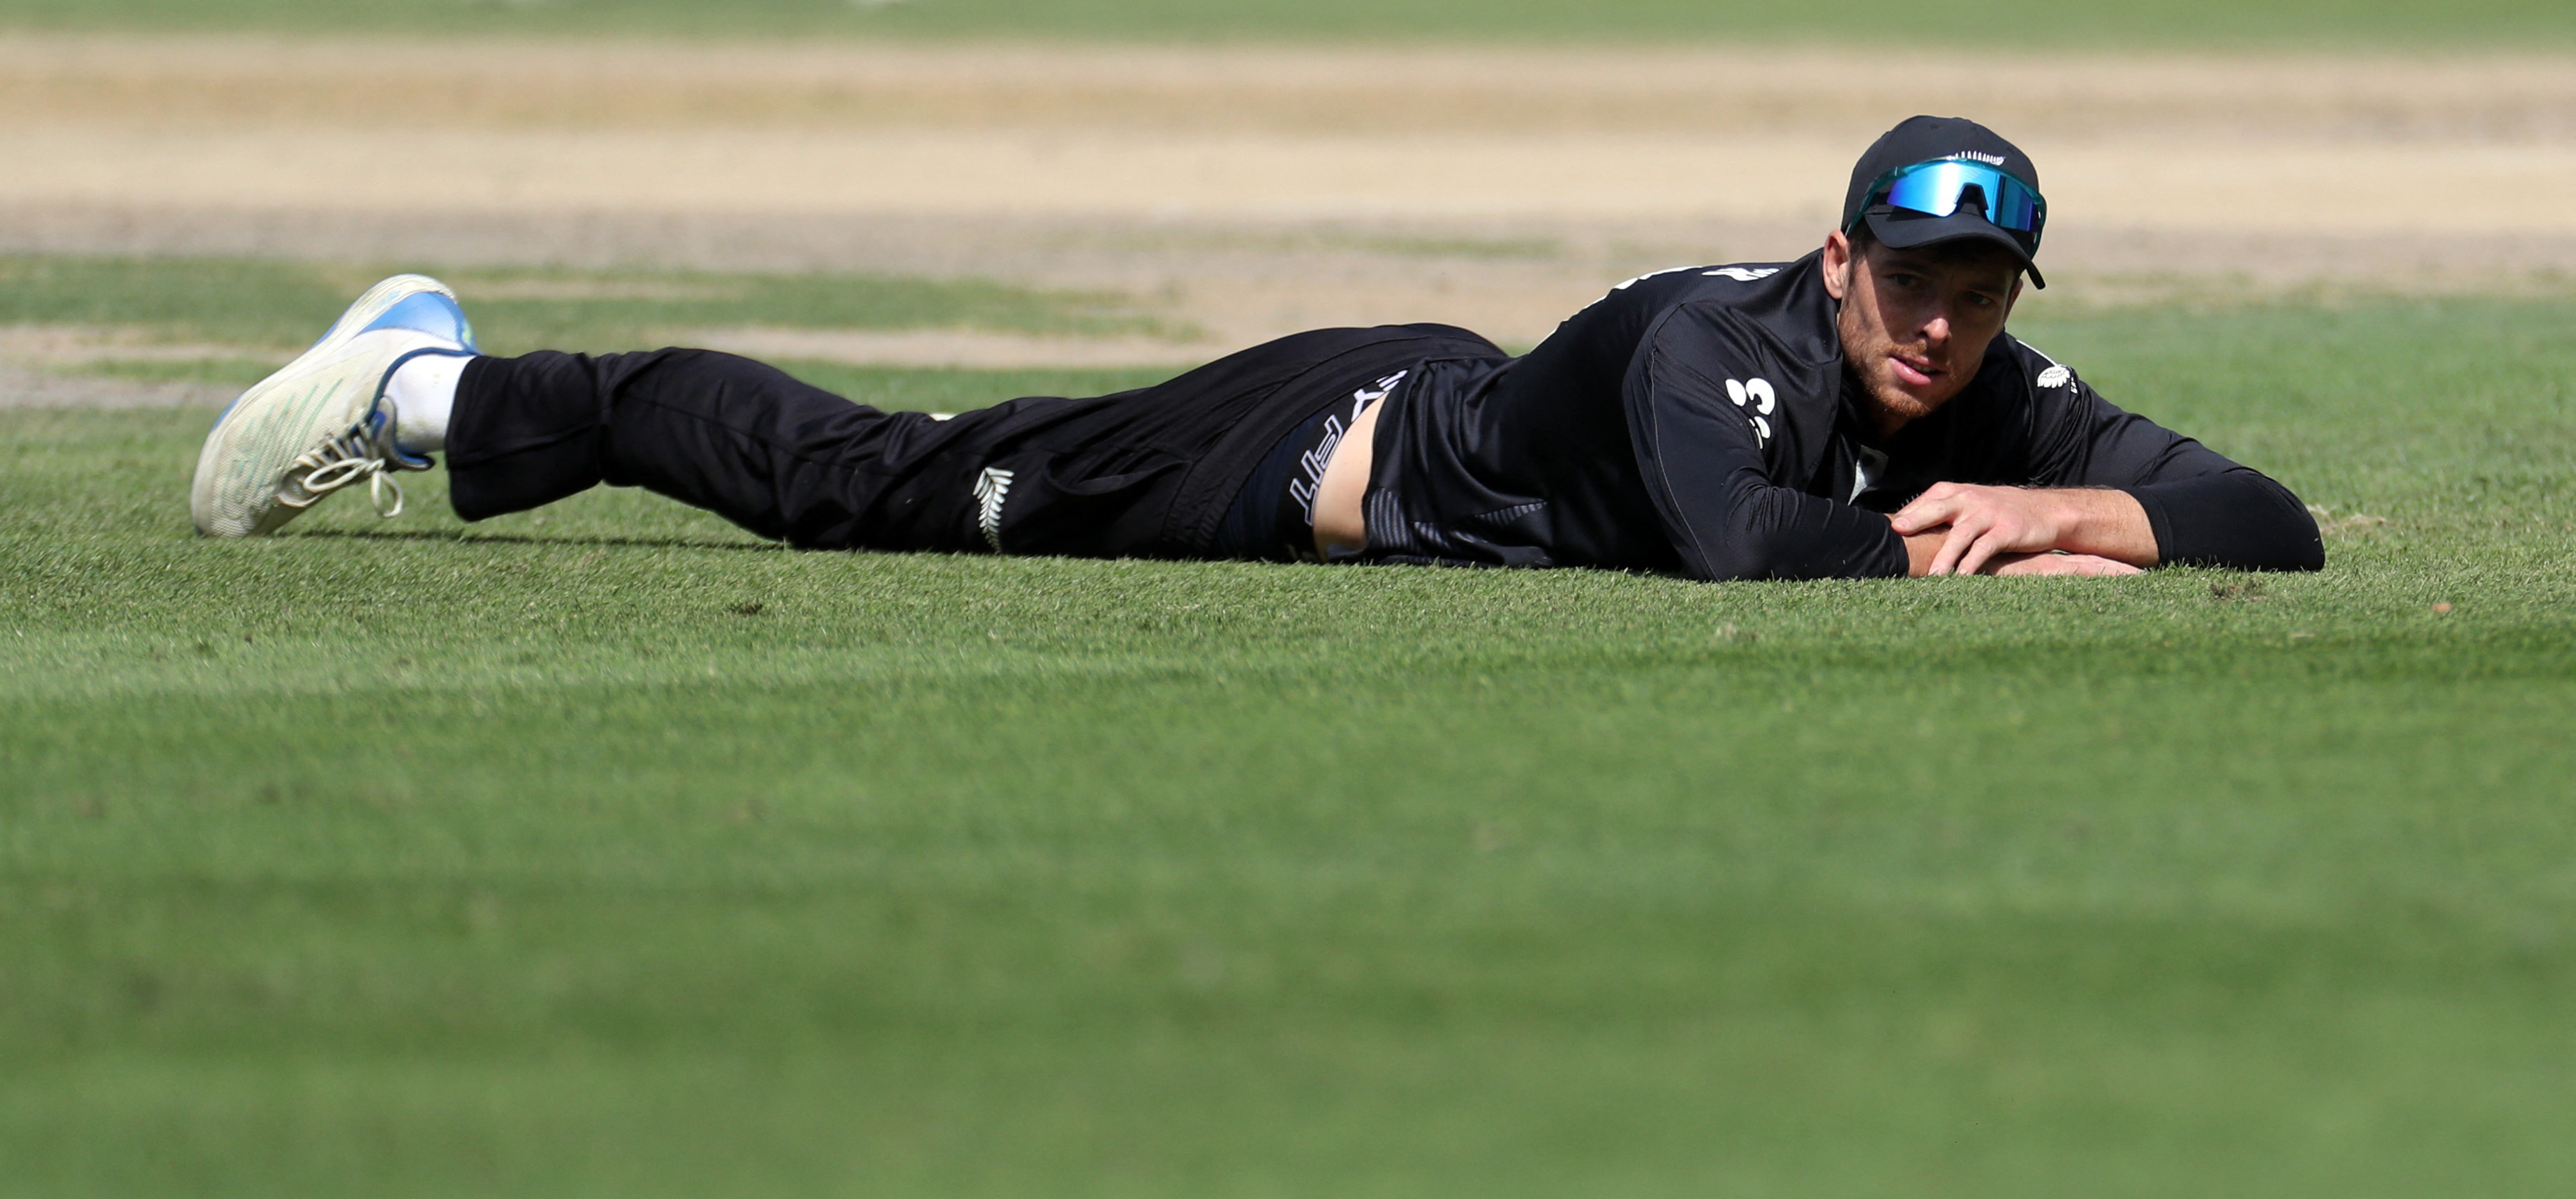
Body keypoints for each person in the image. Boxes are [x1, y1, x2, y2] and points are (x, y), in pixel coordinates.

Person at [191, 116, 2324, 580]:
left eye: (1980, 298)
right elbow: (1730, 544)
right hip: (1297, 442)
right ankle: (428, 390)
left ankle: (435, 388)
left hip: (1415, 405)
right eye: (1913, 282)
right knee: (867, 487)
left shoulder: (1988, 396)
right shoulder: (1712, 340)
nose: (1943, 329)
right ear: (1837, 257)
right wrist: (1983, 558)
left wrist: (2074, 507)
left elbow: (2275, 530)